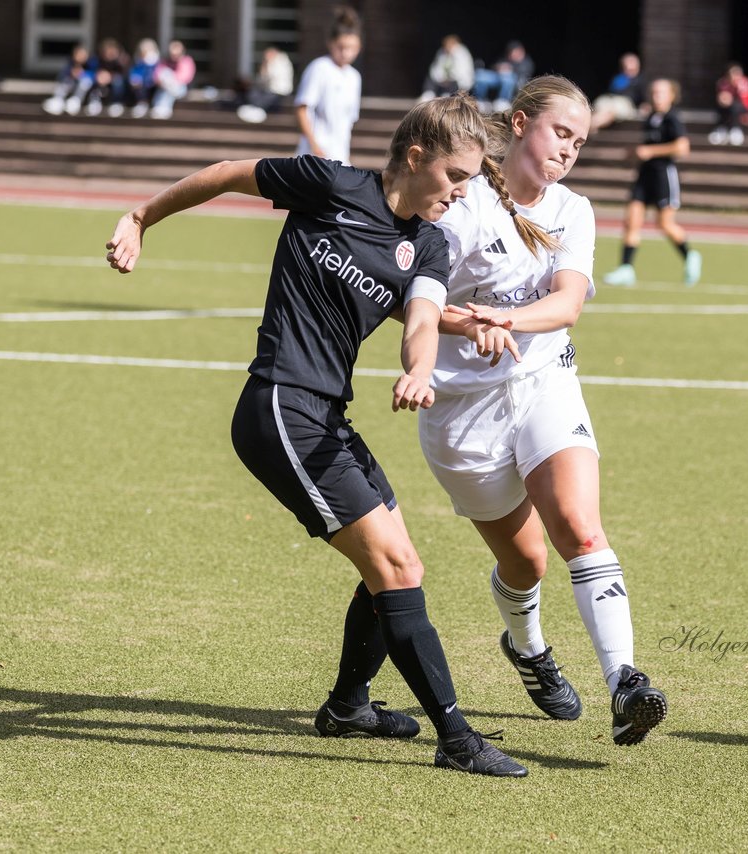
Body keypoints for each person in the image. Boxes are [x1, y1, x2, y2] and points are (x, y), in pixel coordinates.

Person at [103, 95, 528, 778]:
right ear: (415, 157)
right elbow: (225, 173)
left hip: (325, 415)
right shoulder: (330, 184)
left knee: (394, 564)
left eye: (470, 181)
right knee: (396, 568)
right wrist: (141, 217)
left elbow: (420, 318)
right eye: (455, 176)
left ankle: (349, 707)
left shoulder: (429, 242)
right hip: (277, 406)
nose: (461, 192)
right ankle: (457, 739)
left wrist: (422, 368)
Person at [420, 75, 669, 747]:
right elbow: (417, 304)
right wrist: (469, 325)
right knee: (526, 565)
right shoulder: (464, 203)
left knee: (581, 530)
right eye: (562, 132)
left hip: (543, 382)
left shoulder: (573, 208)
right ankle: (527, 647)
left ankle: (625, 683)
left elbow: (567, 304)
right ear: (523, 122)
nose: (569, 151)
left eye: (580, 143)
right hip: (461, 412)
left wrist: (507, 317)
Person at [602, 78, 701, 287]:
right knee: (631, 220)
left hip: (663, 175)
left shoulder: (672, 119)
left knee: (664, 223)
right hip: (644, 175)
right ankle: (626, 268)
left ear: (671, 96)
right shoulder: (651, 118)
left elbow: (682, 148)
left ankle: (690, 255)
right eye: (654, 92)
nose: (656, 96)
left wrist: (650, 151)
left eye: (661, 93)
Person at [293, 6, 362, 164]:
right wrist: (314, 145)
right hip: (315, 154)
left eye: (351, 48)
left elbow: (348, 120)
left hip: (340, 155)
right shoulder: (320, 68)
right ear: (331, 44)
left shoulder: (354, 77)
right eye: (341, 47)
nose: (345, 53)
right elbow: (302, 108)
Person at [235, 46, 294, 124]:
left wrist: (265, 66)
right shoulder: (279, 61)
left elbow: (266, 78)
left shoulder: (278, 62)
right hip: (271, 91)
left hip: (277, 93)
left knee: (253, 96)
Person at [590, 52, 647, 132]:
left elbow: (644, 101)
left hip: (625, 104)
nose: (629, 65)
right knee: (599, 107)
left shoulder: (641, 81)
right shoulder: (618, 78)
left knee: (610, 112)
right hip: (610, 100)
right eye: (627, 63)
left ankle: (591, 126)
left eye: (632, 62)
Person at [471, 40, 534, 112]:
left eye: (514, 51)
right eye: (511, 52)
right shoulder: (506, 58)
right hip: (498, 77)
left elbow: (523, 76)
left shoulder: (526, 62)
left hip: (512, 81)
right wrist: (499, 67)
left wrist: (510, 69)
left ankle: (502, 102)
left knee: (507, 77)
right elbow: (494, 66)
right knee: (480, 75)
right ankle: (480, 100)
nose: (512, 54)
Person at [708, 63, 748, 146]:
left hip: (745, 107)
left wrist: (736, 88)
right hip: (727, 108)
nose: (733, 77)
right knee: (722, 107)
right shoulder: (723, 83)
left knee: (735, 106)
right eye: (731, 74)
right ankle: (721, 129)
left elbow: (745, 99)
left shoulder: (744, 83)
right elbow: (721, 97)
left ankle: (735, 129)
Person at [42, 43, 95, 116]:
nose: (80, 57)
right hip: (70, 85)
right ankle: (58, 100)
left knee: (85, 82)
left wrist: (82, 74)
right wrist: (71, 74)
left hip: (82, 90)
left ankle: (75, 101)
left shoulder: (91, 64)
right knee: (66, 81)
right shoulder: (70, 65)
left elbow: (93, 75)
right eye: (78, 55)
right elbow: (61, 76)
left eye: (83, 55)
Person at [420, 34, 475, 101]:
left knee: (453, 84)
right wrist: (442, 78)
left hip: (457, 83)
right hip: (443, 81)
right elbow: (435, 69)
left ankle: (447, 96)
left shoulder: (462, 53)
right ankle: (428, 94)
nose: (447, 47)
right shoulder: (441, 52)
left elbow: (462, 73)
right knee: (430, 78)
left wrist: (449, 78)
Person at [151, 39, 196, 120]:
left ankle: (161, 108)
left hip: (181, 88)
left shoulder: (186, 61)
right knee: (166, 82)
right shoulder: (165, 61)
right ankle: (162, 109)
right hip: (166, 87)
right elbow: (156, 76)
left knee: (168, 84)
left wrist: (171, 79)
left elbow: (186, 78)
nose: (174, 56)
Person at [85, 38, 129, 118]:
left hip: (114, 86)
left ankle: (116, 103)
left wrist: (111, 76)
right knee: (88, 81)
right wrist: (97, 75)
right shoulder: (96, 60)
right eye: (108, 51)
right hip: (99, 84)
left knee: (118, 81)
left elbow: (125, 75)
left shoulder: (121, 61)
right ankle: (94, 101)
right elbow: (89, 71)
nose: (110, 53)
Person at [127, 38, 161, 118]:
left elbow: (157, 73)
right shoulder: (138, 62)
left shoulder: (157, 62)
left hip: (153, 85)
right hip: (142, 86)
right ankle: (142, 103)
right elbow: (134, 72)